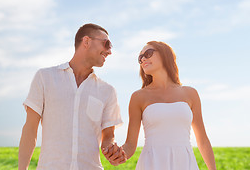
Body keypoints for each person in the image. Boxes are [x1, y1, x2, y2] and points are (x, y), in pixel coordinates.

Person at [18, 23, 123, 170]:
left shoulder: (108, 91)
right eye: (106, 44)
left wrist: (112, 152)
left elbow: (108, 136)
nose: (110, 51)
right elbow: (30, 130)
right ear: (86, 41)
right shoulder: (45, 78)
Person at [103, 41, 216, 170]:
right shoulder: (138, 97)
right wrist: (118, 155)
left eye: (148, 53)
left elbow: (202, 140)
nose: (143, 59)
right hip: (151, 163)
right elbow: (130, 145)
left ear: (165, 55)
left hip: (185, 163)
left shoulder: (190, 93)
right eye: (140, 58)